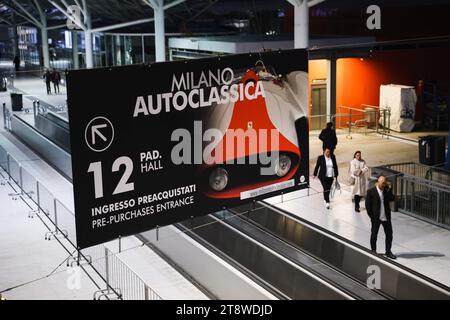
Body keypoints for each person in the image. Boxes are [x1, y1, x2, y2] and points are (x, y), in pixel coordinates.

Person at [365, 176, 397, 259]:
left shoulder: (386, 191)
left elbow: (392, 198)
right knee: (374, 235)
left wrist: (389, 190)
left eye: (385, 183)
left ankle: (388, 251)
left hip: (386, 217)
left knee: (389, 234)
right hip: (376, 218)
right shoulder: (371, 192)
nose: (383, 185)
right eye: (382, 183)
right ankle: (373, 251)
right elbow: (367, 206)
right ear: (378, 182)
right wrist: (372, 217)